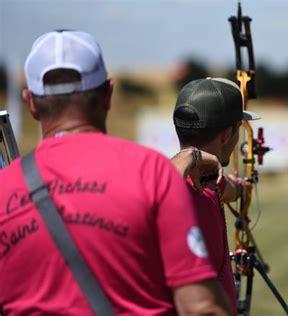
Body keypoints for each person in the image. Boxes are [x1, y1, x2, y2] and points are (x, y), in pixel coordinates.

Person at [0, 30, 231, 315]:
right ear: (108, 93)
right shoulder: (153, 174)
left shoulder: (3, 187)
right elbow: (201, 308)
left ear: (31, 103)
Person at [170, 78, 260, 315]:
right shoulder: (185, 193)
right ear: (226, 134)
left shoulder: (204, 179)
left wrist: (242, 189)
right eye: (238, 130)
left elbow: (223, 186)